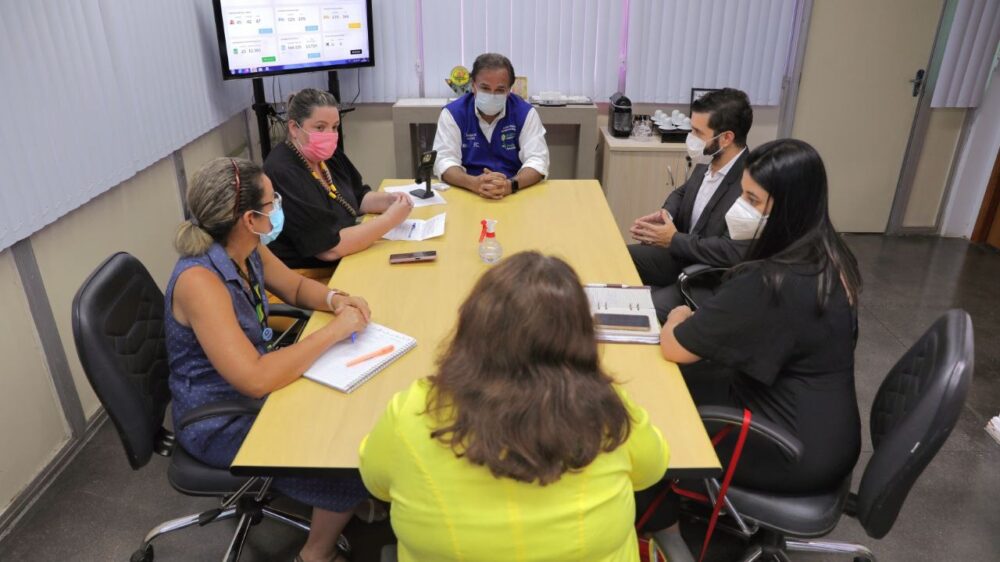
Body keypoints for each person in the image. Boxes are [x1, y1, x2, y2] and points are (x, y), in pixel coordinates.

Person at [358, 252, 670, 562]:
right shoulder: (606, 409)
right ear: (581, 336)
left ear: (471, 327)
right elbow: (651, 471)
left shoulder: (415, 410)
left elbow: (377, 483)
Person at [638, 139, 863, 561]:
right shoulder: (829, 254)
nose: (738, 208)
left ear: (789, 207)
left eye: (752, 200)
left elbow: (675, 347)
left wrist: (678, 317)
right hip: (827, 434)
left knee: (646, 416)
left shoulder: (772, 281)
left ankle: (668, 533)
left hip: (788, 450)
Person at [168, 157, 377, 562]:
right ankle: (315, 554)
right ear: (249, 218)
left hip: (254, 385)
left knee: (349, 413)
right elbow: (255, 379)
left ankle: (348, 502)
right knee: (345, 457)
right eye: (272, 201)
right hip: (220, 417)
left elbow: (295, 287)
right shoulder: (199, 281)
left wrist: (335, 299)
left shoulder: (245, 248)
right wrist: (335, 331)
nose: (278, 206)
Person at [628, 88, 754, 322]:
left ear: (726, 138)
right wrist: (667, 213)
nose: (691, 138)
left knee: (640, 312)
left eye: (697, 132)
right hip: (681, 256)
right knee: (620, 258)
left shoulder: (750, 185)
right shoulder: (710, 159)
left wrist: (673, 240)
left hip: (707, 278)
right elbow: (683, 192)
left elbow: (730, 251)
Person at [264, 88, 414, 269]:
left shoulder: (328, 155)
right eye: (320, 127)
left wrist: (389, 201)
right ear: (294, 128)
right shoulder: (283, 171)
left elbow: (358, 197)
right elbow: (329, 249)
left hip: (348, 254)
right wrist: (390, 220)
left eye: (334, 127)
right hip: (309, 271)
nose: (330, 135)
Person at [432, 53, 549, 199]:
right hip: (467, 190)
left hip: (514, 191)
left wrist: (510, 185)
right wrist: (473, 183)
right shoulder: (453, 113)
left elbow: (537, 160)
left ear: (509, 90)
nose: (492, 95)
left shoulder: (524, 113)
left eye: (499, 90)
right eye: (485, 88)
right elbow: (444, 160)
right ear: (473, 85)